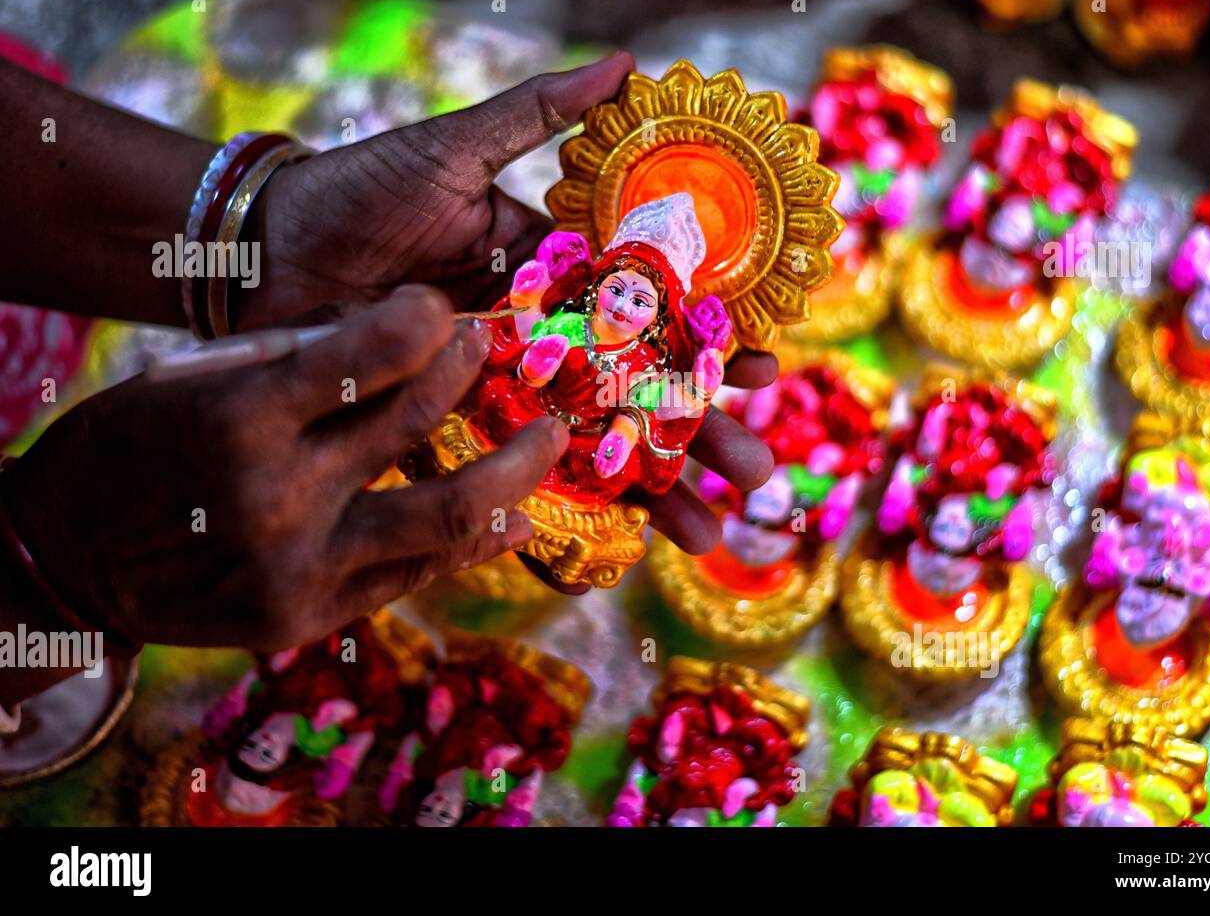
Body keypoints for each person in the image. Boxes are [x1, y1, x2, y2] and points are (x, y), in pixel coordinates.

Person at [0, 51, 776, 712]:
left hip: (578, 449)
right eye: (617, 287)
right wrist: (48, 567)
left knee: (614, 437)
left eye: (641, 301)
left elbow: (659, 406)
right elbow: (516, 336)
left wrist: (267, 237)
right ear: (599, 277)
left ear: (660, 315)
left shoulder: (650, 356)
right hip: (528, 403)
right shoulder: (571, 319)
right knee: (498, 378)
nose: (621, 304)